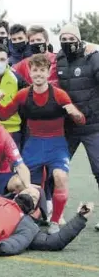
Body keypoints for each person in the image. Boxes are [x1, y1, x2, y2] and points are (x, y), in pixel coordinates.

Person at [0, 54, 86, 233]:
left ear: (48, 71)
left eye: (42, 70)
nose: (38, 74)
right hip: (33, 144)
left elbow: (81, 120)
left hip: (56, 145)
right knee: (22, 183)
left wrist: (75, 113)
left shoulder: (59, 95)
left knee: (60, 177)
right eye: (34, 70)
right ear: (29, 72)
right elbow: (4, 115)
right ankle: (25, 216)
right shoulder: (23, 95)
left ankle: (55, 220)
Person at [56, 23, 99, 231]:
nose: (66, 43)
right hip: (69, 128)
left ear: (79, 39)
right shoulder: (58, 59)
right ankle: (54, 214)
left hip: (94, 126)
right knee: (57, 169)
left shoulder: (93, 57)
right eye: (63, 39)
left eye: (70, 38)